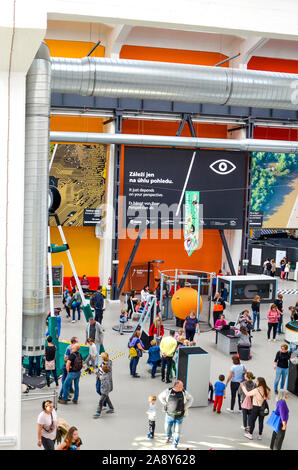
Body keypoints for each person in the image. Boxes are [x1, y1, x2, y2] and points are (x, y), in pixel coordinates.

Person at [158, 380, 193, 449]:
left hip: (179, 416)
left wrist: (186, 406)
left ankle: (175, 444)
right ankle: (168, 437)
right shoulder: (168, 391)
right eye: (181, 386)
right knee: (167, 428)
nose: (183, 387)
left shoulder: (184, 392)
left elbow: (191, 399)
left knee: (177, 431)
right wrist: (165, 404)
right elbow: (160, 396)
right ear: (176, 386)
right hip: (169, 416)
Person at [58, 336, 78, 400]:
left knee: (67, 380)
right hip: (68, 367)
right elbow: (66, 358)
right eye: (77, 341)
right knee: (65, 381)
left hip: (70, 367)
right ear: (74, 342)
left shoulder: (73, 348)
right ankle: (62, 395)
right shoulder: (69, 348)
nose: (78, 342)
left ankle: (69, 390)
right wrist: (68, 367)